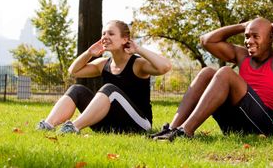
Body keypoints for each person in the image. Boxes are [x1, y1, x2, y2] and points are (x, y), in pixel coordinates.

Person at [149, 17, 273, 141]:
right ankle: (172, 128)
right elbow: (206, 40)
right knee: (207, 73)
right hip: (238, 123)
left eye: (255, 36)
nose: (249, 41)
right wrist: (242, 26)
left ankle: (186, 131)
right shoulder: (242, 55)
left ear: (270, 38)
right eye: (247, 36)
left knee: (225, 72)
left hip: (266, 126)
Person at [36, 20, 172, 134]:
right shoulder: (103, 64)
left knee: (109, 89)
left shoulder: (137, 64)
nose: (105, 37)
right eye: (103, 33)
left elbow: (165, 67)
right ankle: (47, 125)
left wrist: (139, 50)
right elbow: (74, 71)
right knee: (76, 89)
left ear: (125, 39)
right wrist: (89, 53)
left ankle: (73, 127)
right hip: (108, 124)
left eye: (111, 34)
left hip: (139, 124)